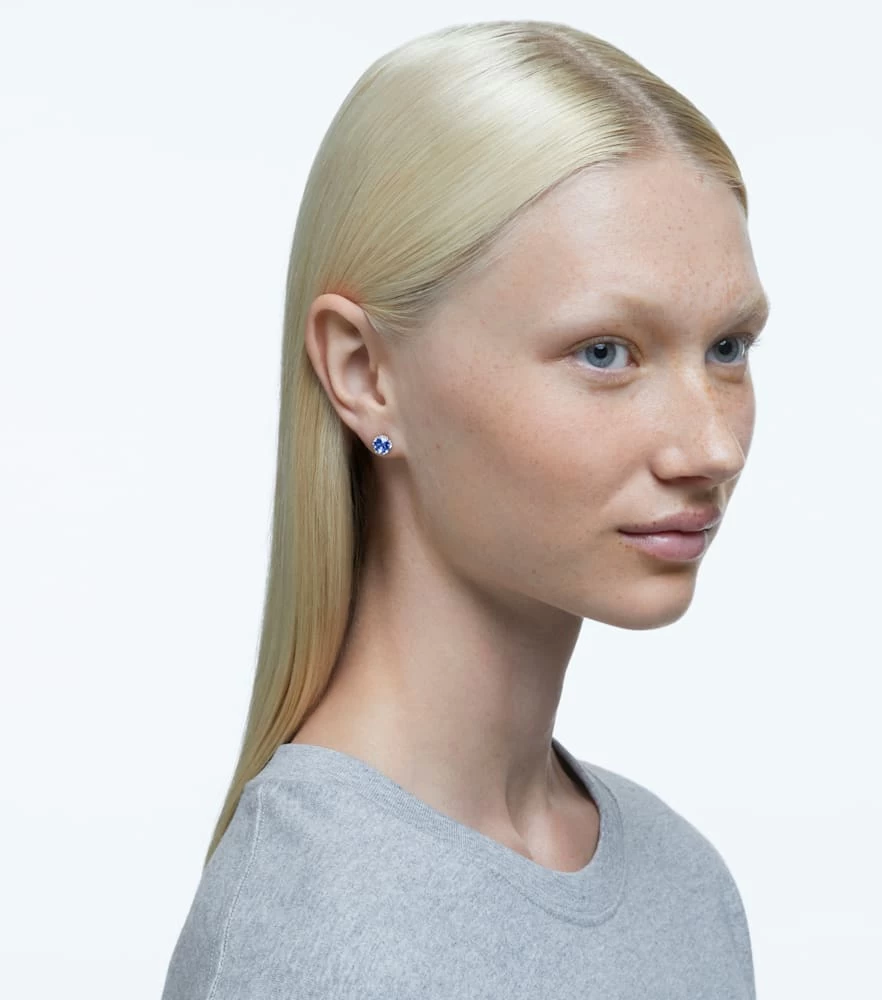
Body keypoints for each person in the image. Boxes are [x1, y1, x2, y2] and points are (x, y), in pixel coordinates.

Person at [161, 18, 768, 1000]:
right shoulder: (315, 935)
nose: (711, 447)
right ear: (365, 374)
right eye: (604, 352)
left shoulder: (681, 883)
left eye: (728, 348)